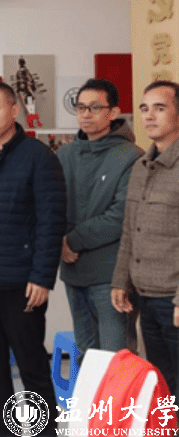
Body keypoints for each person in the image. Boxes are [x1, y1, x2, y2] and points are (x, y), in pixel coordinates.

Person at [0, 81, 65, 436]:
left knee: (32, 367)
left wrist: (42, 277)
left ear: (14, 110)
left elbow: (51, 222)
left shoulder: (39, 157)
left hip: (22, 284)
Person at [58, 79, 142, 361]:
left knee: (116, 358)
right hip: (73, 271)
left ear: (114, 112)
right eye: (81, 107)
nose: (86, 114)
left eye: (95, 107)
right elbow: (51, 206)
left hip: (111, 275)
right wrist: (60, 242)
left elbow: (121, 216)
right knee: (87, 354)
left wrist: (72, 241)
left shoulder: (131, 157)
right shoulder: (65, 154)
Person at [112, 80, 179, 396]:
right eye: (144, 108)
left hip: (173, 298)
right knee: (161, 384)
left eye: (160, 108)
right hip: (145, 297)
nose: (149, 116)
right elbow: (130, 229)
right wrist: (121, 280)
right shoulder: (141, 165)